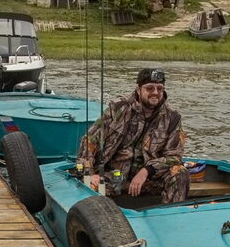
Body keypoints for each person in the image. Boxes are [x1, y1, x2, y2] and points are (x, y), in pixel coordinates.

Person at [77, 67, 187, 203]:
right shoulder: (117, 109)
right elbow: (90, 141)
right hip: (113, 176)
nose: (155, 93)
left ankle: (170, 218)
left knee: (180, 173)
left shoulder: (172, 118)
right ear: (138, 89)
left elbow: (174, 156)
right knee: (89, 185)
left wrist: (146, 171)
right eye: (150, 88)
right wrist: (89, 173)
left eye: (160, 88)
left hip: (148, 179)